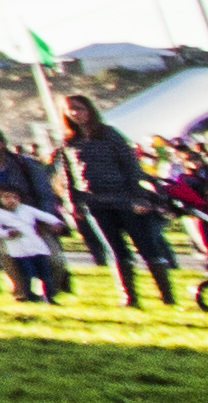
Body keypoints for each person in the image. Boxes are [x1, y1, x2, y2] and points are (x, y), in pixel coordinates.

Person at [57, 89, 177, 306]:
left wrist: (140, 197)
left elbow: (132, 167)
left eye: (80, 108)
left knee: (147, 246)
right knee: (115, 250)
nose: (75, 113)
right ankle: (129, 297)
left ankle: (167, 296)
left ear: (90, 110)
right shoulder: (69, 142)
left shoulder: (109, 134)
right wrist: (72, 202)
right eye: (71, 110)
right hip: (96, 203)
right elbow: (68, 175)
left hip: (126, 199)